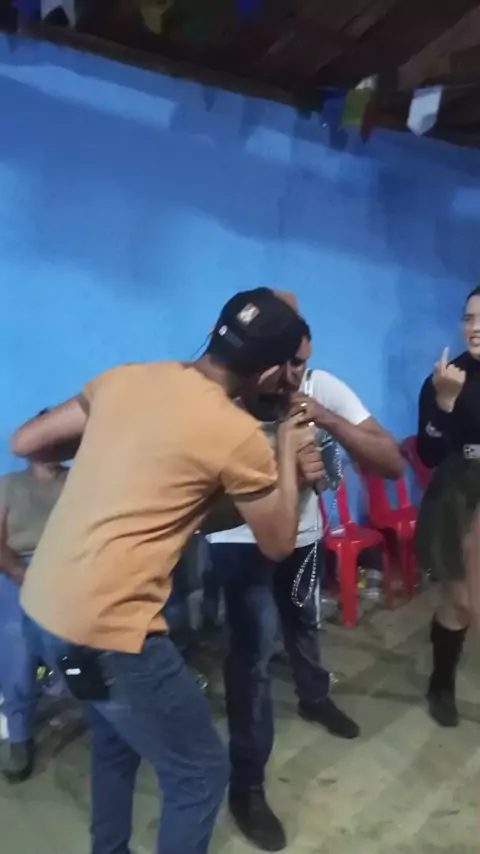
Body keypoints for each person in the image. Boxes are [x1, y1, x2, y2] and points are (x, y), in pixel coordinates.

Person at [12, 288, 323, 854]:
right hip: (110, 629)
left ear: (215, 331)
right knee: (199, 775)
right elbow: (279, 543)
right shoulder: (236, 435)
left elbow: (26, 441)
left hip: (44, 611)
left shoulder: (128, 379)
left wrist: (119, 440)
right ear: (270, 372)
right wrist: (284, 448)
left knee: (115, 744)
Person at [207, 325, 404, 851]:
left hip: (304, 537)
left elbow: (391, 461)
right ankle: (247, 787)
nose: (295, 375)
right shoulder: (220, 399)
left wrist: (326, 419)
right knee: (251, 656)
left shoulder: (318, 388)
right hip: (239, 542)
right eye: (285, 363)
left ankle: (315, 698)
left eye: (302, 362)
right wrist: (283, 459)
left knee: (303, 621)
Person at [415, 285, 480, 729]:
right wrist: (444, 404)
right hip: (457, 493)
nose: (474, 328)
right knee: (461, 602)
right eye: (468, 318)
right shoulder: (446, 377)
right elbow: (428, 454)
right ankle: (441, 683)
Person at [0, 413, 67, 783]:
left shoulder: (79, 483)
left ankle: (103, 721)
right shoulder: (8, 485)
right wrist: (20, 573)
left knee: (78, 648)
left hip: (69, 569)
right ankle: (20, 734)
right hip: (19, 568)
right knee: (16, 643)